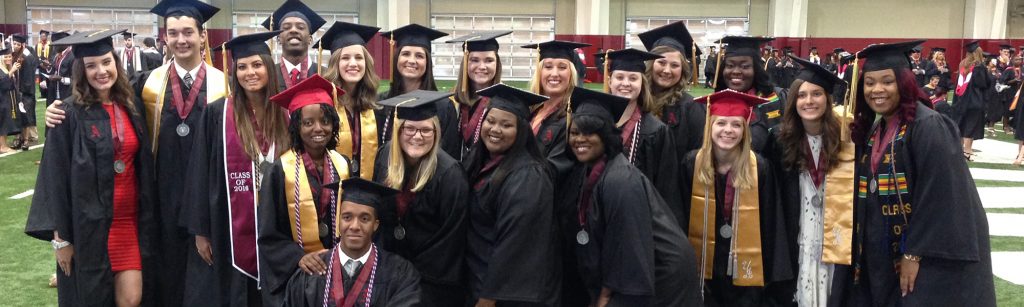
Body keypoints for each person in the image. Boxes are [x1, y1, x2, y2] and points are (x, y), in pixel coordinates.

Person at [833, 39, 995, 306]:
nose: (877, 90)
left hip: (922, 258)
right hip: (881, 255)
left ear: (904, 83)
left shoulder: (928, 126)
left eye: (887, 81)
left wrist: (914, 254)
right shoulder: (878, 128)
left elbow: (941, 196)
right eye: (869, 82)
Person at [24, 29, 159, 307]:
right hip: (88, 229)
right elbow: (55, 179)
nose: (101, 71)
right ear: (81, 71)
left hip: (128, 223)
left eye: (107, 62)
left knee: (132, 299)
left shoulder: (130, 106)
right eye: (91, 65)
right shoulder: (68, 114)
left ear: (116, 63)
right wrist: (61, 240)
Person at [555, 86, 701, 306]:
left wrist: (605, 294)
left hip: (662, 274)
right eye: (574, 133)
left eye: (589, 133)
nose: (579, 139)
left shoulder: (620, 180)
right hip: (639, 266)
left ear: (606, 136)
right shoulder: (590, 169)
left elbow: (628, 245)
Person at [181, 30, 288, 306]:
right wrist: (201, 231)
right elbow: (199, 173)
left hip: (279, 226)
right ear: (234, 72)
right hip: (227, 227)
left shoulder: (286, 115)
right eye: (242, 67)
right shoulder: (218, 113)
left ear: (269, 68)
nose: (249, 73)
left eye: (257, 65)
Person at [680, 89, 792, 307]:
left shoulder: (759, 168)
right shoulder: (691, 164)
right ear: (709, 126)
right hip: (703, 272)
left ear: (745, 130)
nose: (728, 131)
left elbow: (770, 224)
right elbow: (681, 217)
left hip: (745, 277)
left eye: (736, 124)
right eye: (721, 123)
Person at [766, 55, 855, 306]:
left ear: (828, 99)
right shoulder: (780, 141)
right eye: (802, 95)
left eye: (816, 94)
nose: (809, 101)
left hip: (835, 229)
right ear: (793, 101)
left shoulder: (846, 139)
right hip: (799, 229)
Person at [464, 83, 561, 306]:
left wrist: (488, 299)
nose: (495, 129)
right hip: (478, 278)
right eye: (490, 121)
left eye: (506, 125)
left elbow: (514, 245)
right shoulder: (481, 160)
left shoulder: (529, 176)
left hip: (505, 294)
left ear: (521, 131)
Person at [374, 90, 471, 307]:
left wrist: (408, 274)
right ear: (398, 130)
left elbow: (451, 238)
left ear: (436, 133)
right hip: (389, 273)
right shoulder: (384, 158)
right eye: (410, 128)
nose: (417, 136)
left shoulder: (450, 174)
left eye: (426, 130)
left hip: (433, 284)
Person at [259, 74, 350, 304]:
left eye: (325, 121)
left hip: (339, 269)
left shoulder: (343, 165)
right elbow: (268, 234)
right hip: (298, 276)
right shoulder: (279, 171)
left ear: (334, 124)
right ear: (296, 127)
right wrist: (298, 258)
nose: (318, 128)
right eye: (308, 123)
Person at [284, 178, 422, 307]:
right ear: (338, 220)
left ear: (375, 225)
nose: (355, 226)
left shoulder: (399, 273)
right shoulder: (312, 271)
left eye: (364, 218)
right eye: (347, 217)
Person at [598, 48, 682, 222]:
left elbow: (667, 188)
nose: (626, 83)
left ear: (642, 83)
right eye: (619, 77)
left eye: (633, 78)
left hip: (640, 217)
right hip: (597, 214)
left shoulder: (656, 131)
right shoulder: (596, 123)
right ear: (609, 81)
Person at [379, 24, 459, 159]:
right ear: (397, 58)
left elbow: (450, 154)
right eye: (405, 54)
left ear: (427, 62)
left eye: (419, 56)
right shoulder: (381, 103)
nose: (411, 61)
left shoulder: (443, 106)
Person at [316, 21, 383, 180]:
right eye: (345, 58)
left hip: (367, 189)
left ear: (366, 64)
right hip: (330, 186)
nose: (353, 63)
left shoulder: (376, 106)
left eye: (359, 58)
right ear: (335, 64)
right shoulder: (323, 105)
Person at [638, 20, 708, 158]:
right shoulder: (638, 99)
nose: (667, 70)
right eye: (661, 62)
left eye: (675, 65)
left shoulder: (692, 107)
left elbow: (697, 154)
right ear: (651, 64)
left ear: (682, 70)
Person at [521, 40, 590, 177]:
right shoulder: (530, 110)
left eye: (562, 67)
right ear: (540, 72)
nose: (554, 73)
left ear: (571, 73)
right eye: (548, 66)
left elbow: (556, 169)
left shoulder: (573, 118)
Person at [444, 31, 510, 161]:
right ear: (465, 64)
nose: (482, 66)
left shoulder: (506, 102)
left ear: (497, 64)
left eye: (489, 60)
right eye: (474, 60)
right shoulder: (452, 102)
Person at [714, 36, 786, 153]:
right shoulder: (713, 103)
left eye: (745, 66)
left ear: (756, 69)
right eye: (730, 66)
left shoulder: (778, 98)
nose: (736, 71)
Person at [262, 0, 327, 91]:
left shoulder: (325, 76)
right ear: (278, 39)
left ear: (310, 39)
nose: (293, 30)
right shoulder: (267, 76)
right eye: (286, 27)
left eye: (300, 27)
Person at [953, 40, 992, 160]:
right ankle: (967, 152)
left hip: (961, 100)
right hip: (974, 100)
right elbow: (983, 83)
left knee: (961, 125)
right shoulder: (979, 67)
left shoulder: (962, 65)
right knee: (970, 126)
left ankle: (958, 151)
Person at [10, 34, 40, 150]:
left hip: (25, 91)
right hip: (17, 89)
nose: (15, 46)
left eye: (18, 44)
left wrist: (22, 90)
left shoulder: (27, 56)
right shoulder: (14, 54)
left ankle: (28, 138)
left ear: (23, 44)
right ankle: (20, 137)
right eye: (14, 43)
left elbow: (29, 75)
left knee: (26, 114)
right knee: (18, 114)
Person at [42, 31, 74, 108]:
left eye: (56, 44)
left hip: (68, 96)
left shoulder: (72, 56)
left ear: (64, 43)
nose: (53, 47)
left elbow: (76, 80)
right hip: (55, 95)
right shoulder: (56, 56)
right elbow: (54, 71)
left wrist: (61, 79)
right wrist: (48, 67)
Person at [1, 45, 22, 152]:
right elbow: (2, 84)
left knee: (5, 120)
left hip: (7, 99)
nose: (8, 58)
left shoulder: (6, 68)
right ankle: (3, 146)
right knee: (3, 121)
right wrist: (12, 71)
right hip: (2, 99)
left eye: (9, 56)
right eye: (5, 57)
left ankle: (2, 144)